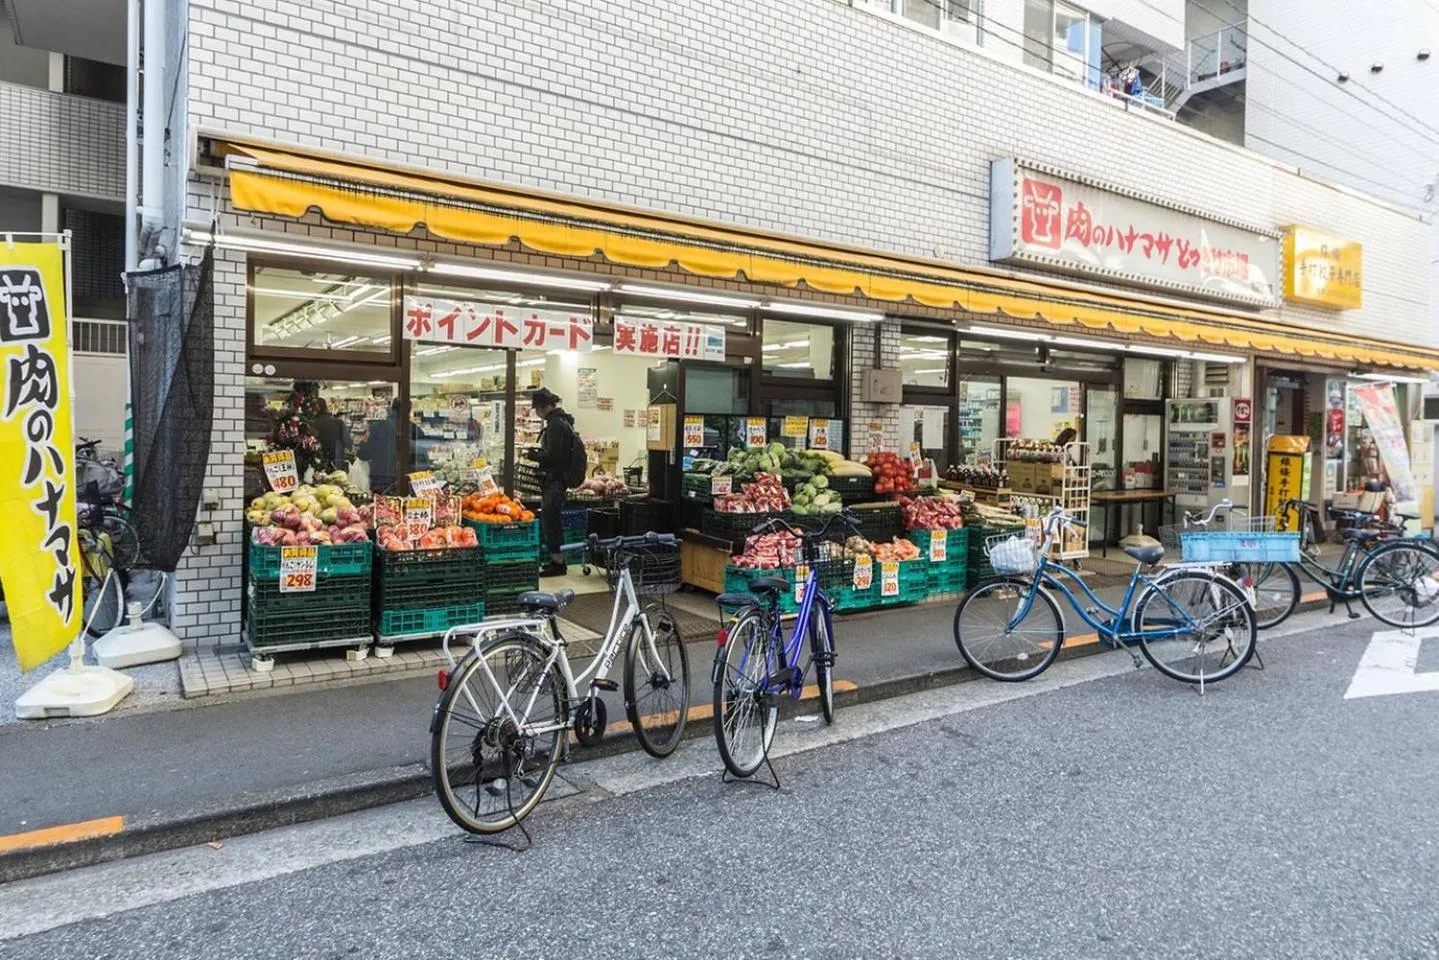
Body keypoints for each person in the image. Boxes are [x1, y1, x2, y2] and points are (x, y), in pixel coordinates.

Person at [529, 387, 580, 578]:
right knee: (553, 522)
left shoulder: (555, 425)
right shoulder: (563, 422)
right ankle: (556, 561)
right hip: (560, 480)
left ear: (543, 407)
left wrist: (534, 455)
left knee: (551, 523)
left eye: (537, 409)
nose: (537, 413)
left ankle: (558, 564)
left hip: (555, 481)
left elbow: (553, 456)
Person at [358, 397, 403, 494]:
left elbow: (364, 454)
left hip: (380, 477)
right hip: (405, 479)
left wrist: (362, 443)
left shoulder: (377, 427)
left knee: (380, 502)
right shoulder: (414, 430)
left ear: (391, 409)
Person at [312, 398, 351, 471]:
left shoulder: (313, 424)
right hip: (336, 460)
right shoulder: (338, 422)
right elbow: (347, 442)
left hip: (318, 461)